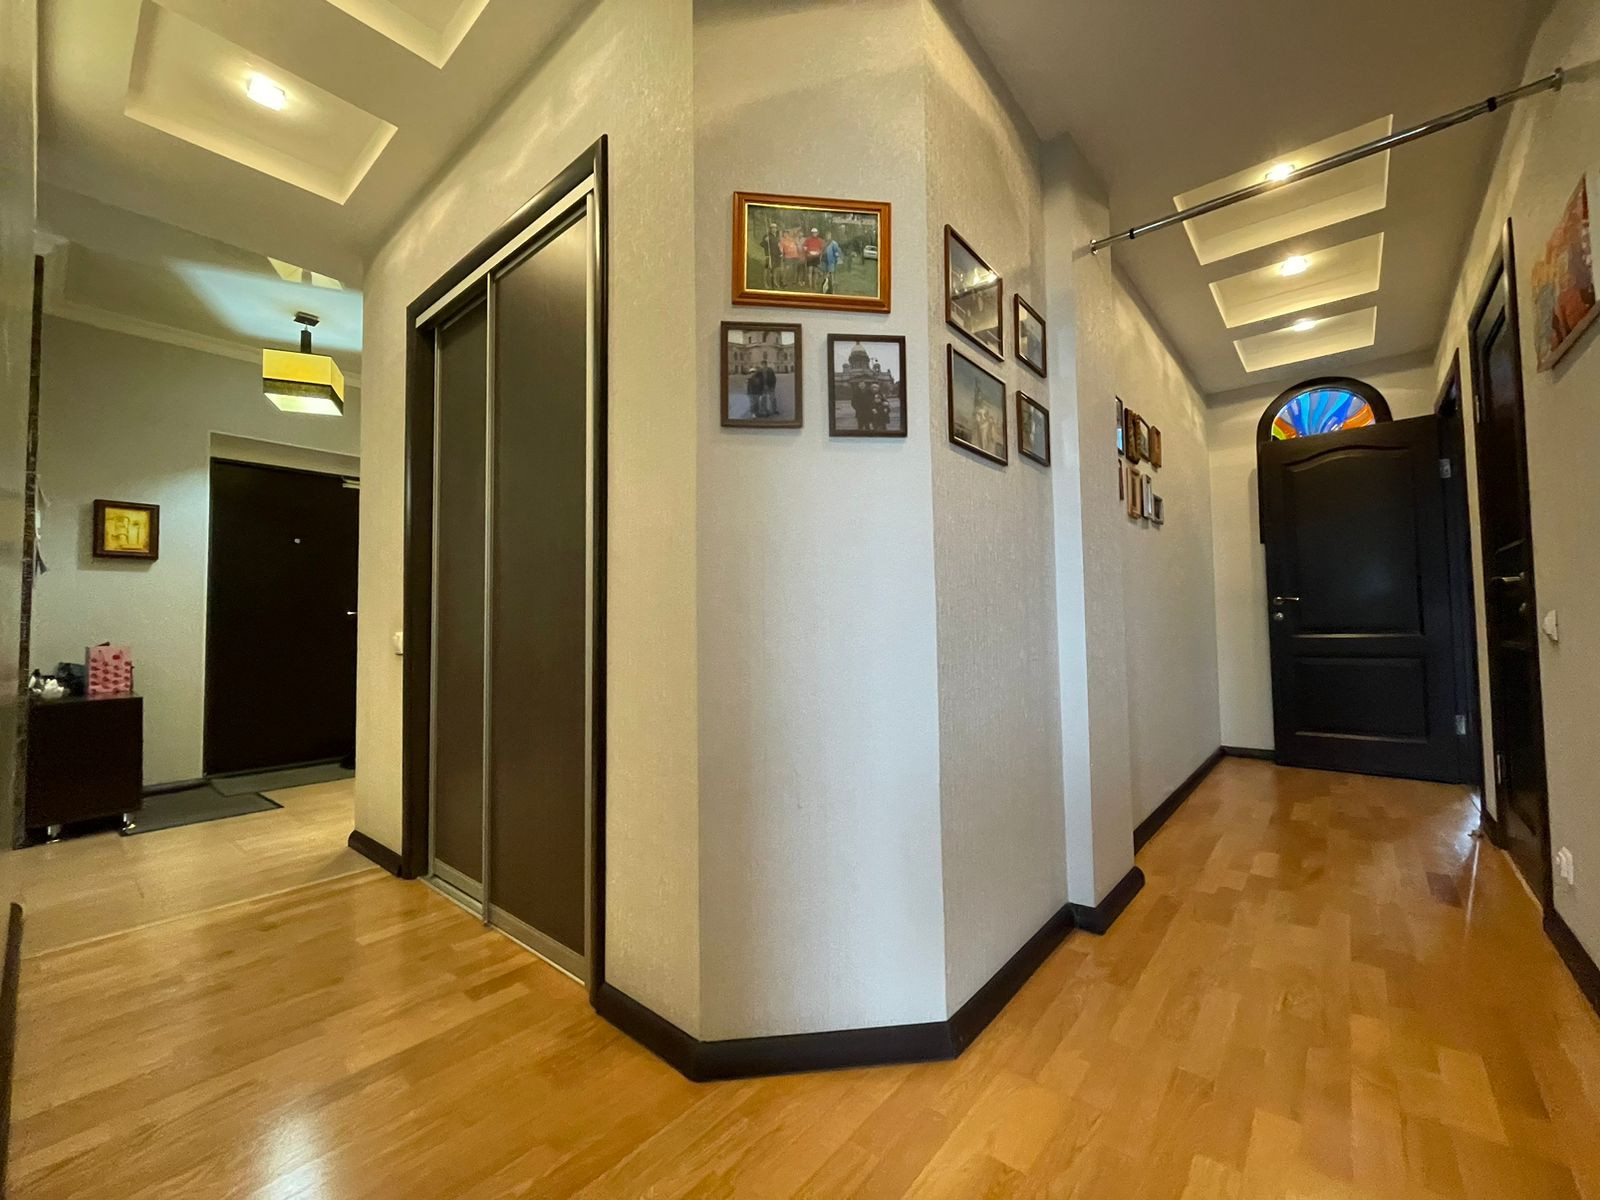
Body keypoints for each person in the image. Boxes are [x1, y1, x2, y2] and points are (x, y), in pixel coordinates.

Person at [760, 221, 783, 289]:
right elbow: (761, 244)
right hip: (769, 255)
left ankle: (774, 282)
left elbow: (777, 247)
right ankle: (765, 283)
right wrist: (765, 241)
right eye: (772, 228)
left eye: (775, 228)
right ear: (770, 229)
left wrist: (780, 253)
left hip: (776, 256)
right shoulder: (767, 235)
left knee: (775, 269)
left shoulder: (776, 236)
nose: (774, 229)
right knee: (767, 269)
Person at [821, 230, 843, 294]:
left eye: (829, 235)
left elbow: (837, 251)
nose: (827, 236)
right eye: (826, 235)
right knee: (824, 274)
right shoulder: (823, 242)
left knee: (831, 274)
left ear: (830, 236)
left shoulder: (834, 243)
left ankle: (832, 290)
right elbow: (821, 250)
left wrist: (837, 258)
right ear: (825, 236)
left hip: (831, 261)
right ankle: (825, 289)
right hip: (824, 260)